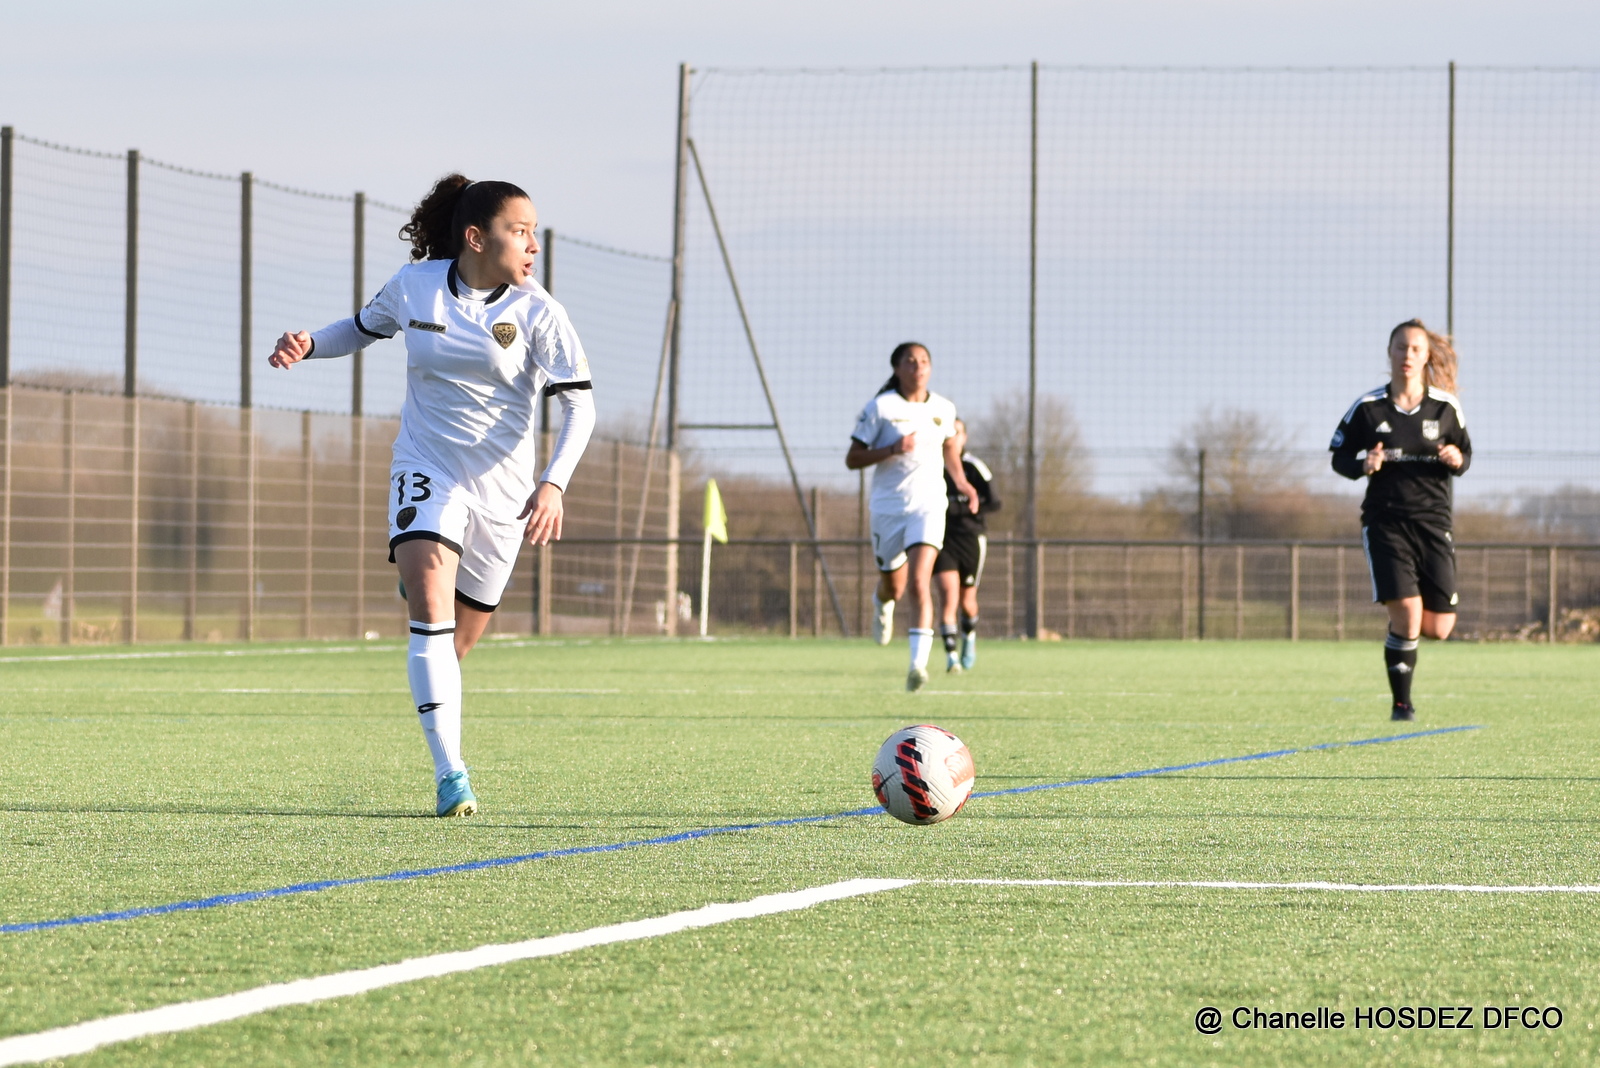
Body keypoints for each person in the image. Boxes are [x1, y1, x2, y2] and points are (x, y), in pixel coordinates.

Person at [269, 175, 596, 815]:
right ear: (476, 237)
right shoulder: (416, 285)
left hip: (502, 495)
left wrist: (552, 483)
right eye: (519, 231)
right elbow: (362, 328)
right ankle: (452, 777)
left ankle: (428, 577)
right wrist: (311, 344)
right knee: (427, 603)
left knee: (455, 646)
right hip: (426, 466)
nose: (533, 244)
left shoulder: (540, 314)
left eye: (534, 231)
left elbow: (580, 409)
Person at [1330, 318, 1469, 722]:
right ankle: (1402, 705)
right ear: (1388, 353)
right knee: (1407, 613)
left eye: (1415, 349)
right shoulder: (1368, 408)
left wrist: (1456, 460)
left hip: (1433, 522)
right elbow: (1340, 458)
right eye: (1400, 347)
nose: (1407, 355)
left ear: (1426, 357)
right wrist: (1364, 463)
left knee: (1439, 627)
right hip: (1386, 522)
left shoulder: (1445, 408)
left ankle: (1403, 639)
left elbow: (1465, 454)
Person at [846, 342, 977, 691]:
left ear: (930, 368)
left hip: (929, 505)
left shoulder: (944, 408)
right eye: (910, 361)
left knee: (921, 581)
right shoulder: (880, 408)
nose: (918, 366)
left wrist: (962, 482)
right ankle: (882, 602)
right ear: (897, 368)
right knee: (896, 586)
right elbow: (852, 458)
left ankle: (917, 666)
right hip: (889, 509)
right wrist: (892, 449)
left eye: (924, 361)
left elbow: (950, 446)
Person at [933, 418, 1000, 673]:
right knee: (948, 596)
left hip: (971, 539)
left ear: (965, 437)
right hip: (942, 538)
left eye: (957, 432)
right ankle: (951, 657)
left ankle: (969, 638)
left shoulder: (974, 467)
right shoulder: (934, 466)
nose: (953, 437)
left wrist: (968, 506)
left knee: (967, 601)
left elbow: (995, 502)